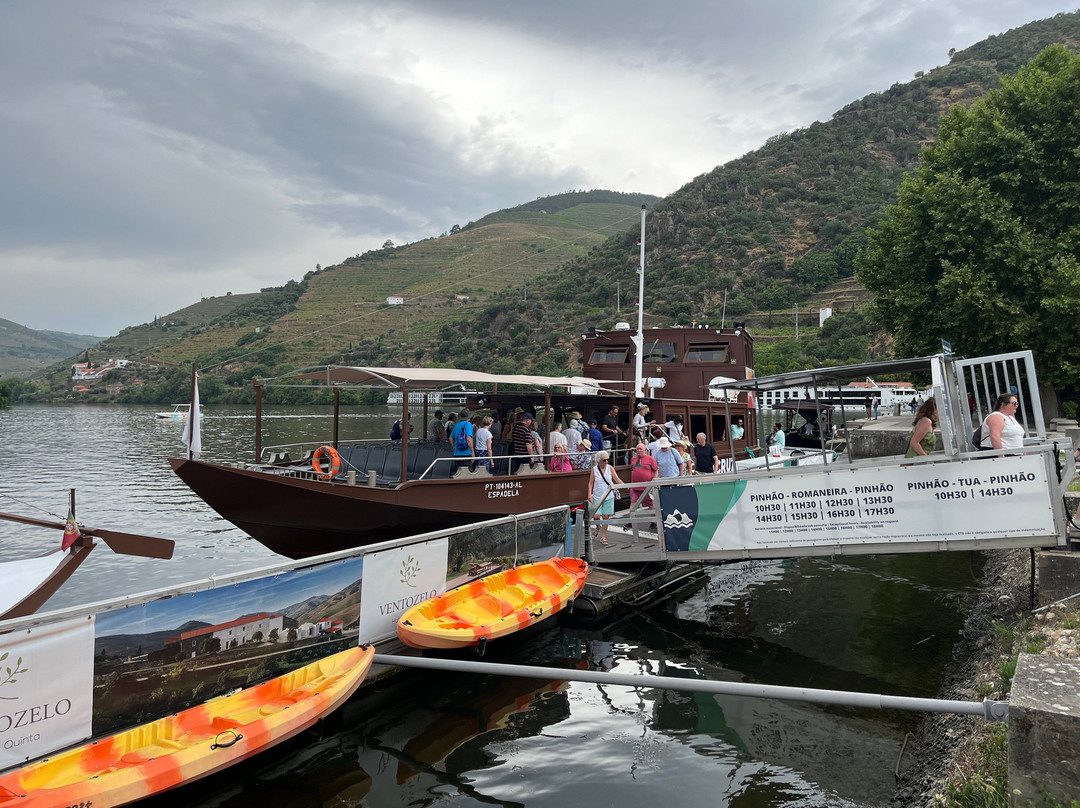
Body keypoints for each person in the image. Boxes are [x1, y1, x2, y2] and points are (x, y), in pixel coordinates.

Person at [587, 451, 623, 546]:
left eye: (607, 459)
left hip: (608, 495)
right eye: (604, 460)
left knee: (606, 516)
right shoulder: (594, 469)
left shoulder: (610, 468)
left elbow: (616, 479)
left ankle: (603, 536)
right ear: (599, 460)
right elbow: (591, 482)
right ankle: (598, 526)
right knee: (596, 516)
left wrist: (625, 485)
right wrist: (589, 494)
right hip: (597, 495)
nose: (606, 461)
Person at [628, 442, 659, 510]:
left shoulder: (650, 458)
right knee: (633, 504)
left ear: (645, 450)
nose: (639, 450)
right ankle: (631, 516)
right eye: (637, 449)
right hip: (635, 487)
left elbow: (656, 470)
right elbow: (632, 471)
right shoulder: (633, 459)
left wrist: (654, 481)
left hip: (646, 487)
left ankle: (654, 516)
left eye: (640, 449)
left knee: (651, 505)